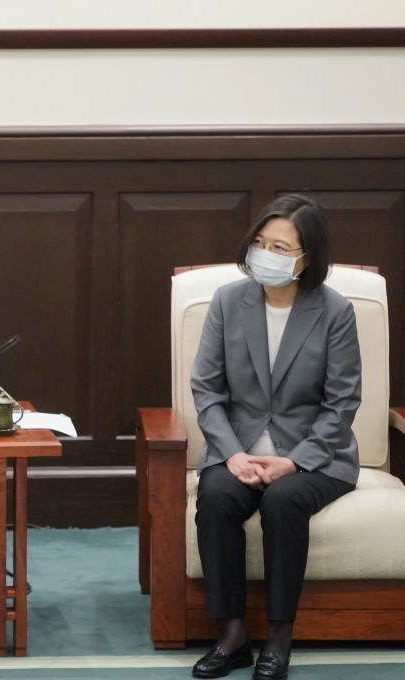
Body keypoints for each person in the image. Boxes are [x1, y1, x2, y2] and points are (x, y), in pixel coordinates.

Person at [189, 194, 360, 680]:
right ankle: (233, 635)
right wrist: (232, 453)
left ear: (308, 258)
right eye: (261, 243)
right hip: (237, 447)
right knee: (218, 496)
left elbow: (342, 402)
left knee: (283, 502)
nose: (266, 254)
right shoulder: (227, 301)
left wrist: (297, 460)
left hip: (315, 457)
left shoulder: (334, 311)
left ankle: (279, 638)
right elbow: (206, 387)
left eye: (281, 248)